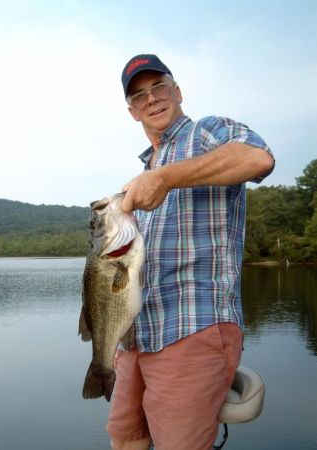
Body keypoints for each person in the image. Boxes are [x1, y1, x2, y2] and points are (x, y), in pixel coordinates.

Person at [106, 54, 275, 450]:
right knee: (126, 440)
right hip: (138, 335)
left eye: (158, 87)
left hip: (192, 326)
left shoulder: (207, 131)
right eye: (139, 95)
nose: (151, 99)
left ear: (177, 91)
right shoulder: (146, 166)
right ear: (132, 112)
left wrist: (164, 178)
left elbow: (258, 157)